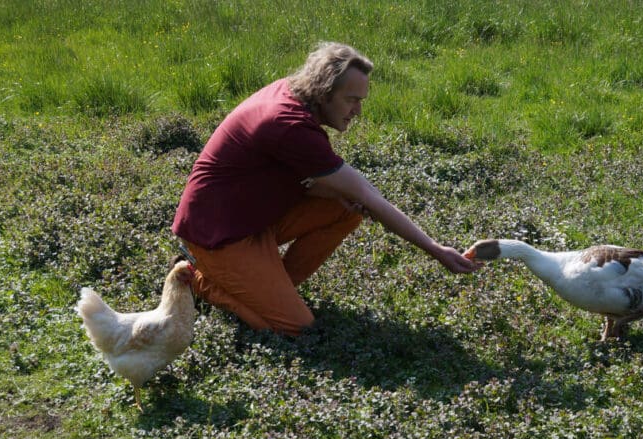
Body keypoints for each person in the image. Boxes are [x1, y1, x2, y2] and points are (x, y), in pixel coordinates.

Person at [171, 41, 480, 336]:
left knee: (344, 206)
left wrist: (343, 195)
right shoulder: (289, 124)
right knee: (296, 328)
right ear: (323, 91)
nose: (358, 110)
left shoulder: (294, 94)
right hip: (216, 235)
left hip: (248, 217)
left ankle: (275, 289)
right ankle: (198, 279)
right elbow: (370, 196)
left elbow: (317, 185)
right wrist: (435, 250)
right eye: (351, 99)